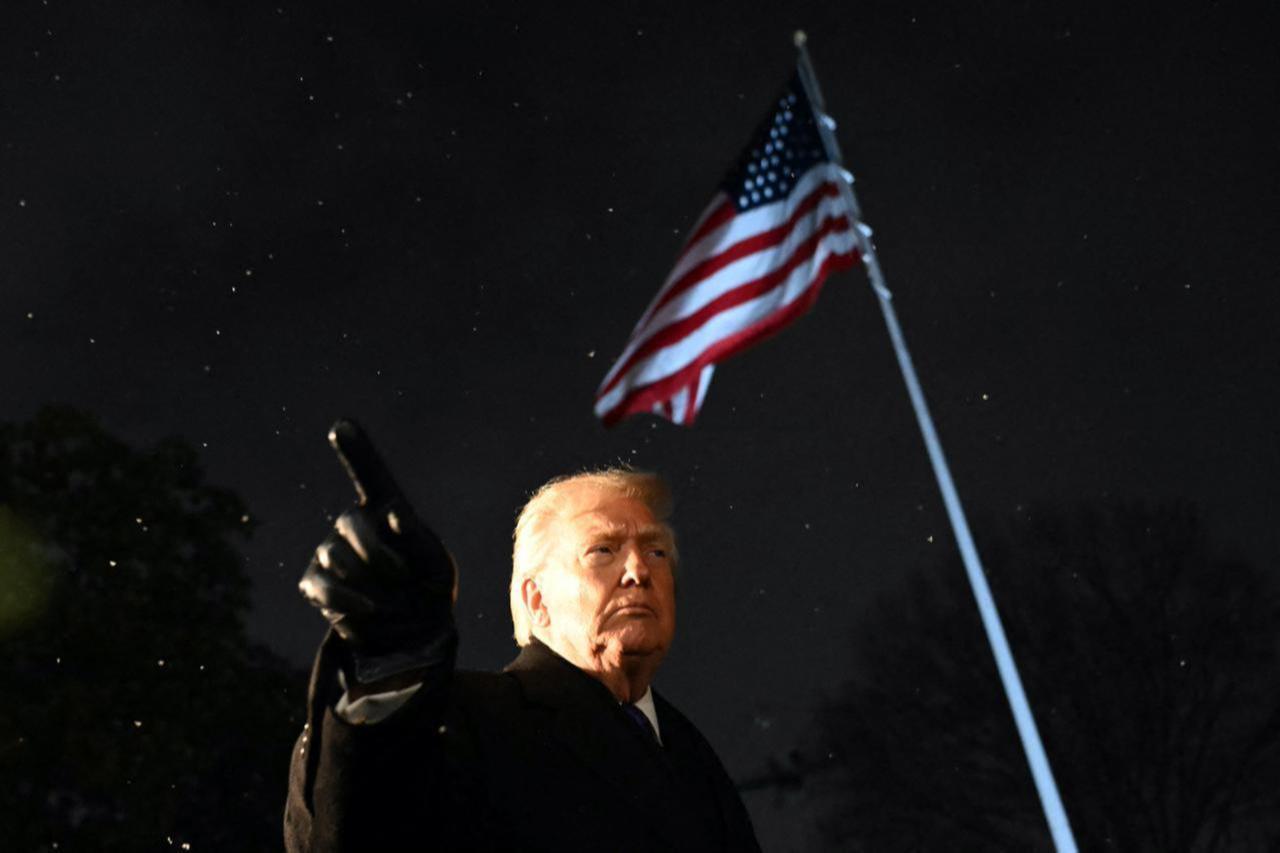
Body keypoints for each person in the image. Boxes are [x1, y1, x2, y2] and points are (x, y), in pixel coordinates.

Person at [285, 420, 761, 852]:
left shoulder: (693, 753)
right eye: (603, 550)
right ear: (536, 600)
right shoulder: (464, 717)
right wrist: (389, 665)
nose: (639, 569)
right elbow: (353, 834)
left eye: (656, 551)